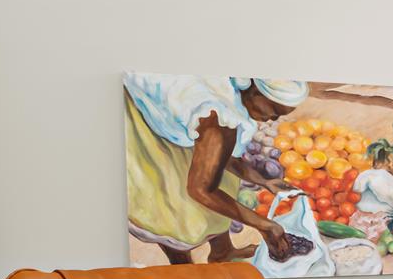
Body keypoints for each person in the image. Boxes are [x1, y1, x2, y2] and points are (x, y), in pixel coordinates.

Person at [124, 75, 311, 264]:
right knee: (174, 204)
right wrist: (264, 225)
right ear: (256, 92)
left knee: (220, 181)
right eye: (274, 111)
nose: (274, 118)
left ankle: (222, 252)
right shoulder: (217, 118)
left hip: (180, 116)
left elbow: (220, 156)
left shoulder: (231, 104)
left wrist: (264, 182)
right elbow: (200, 189)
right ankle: (183, 267)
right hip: (147, 116)